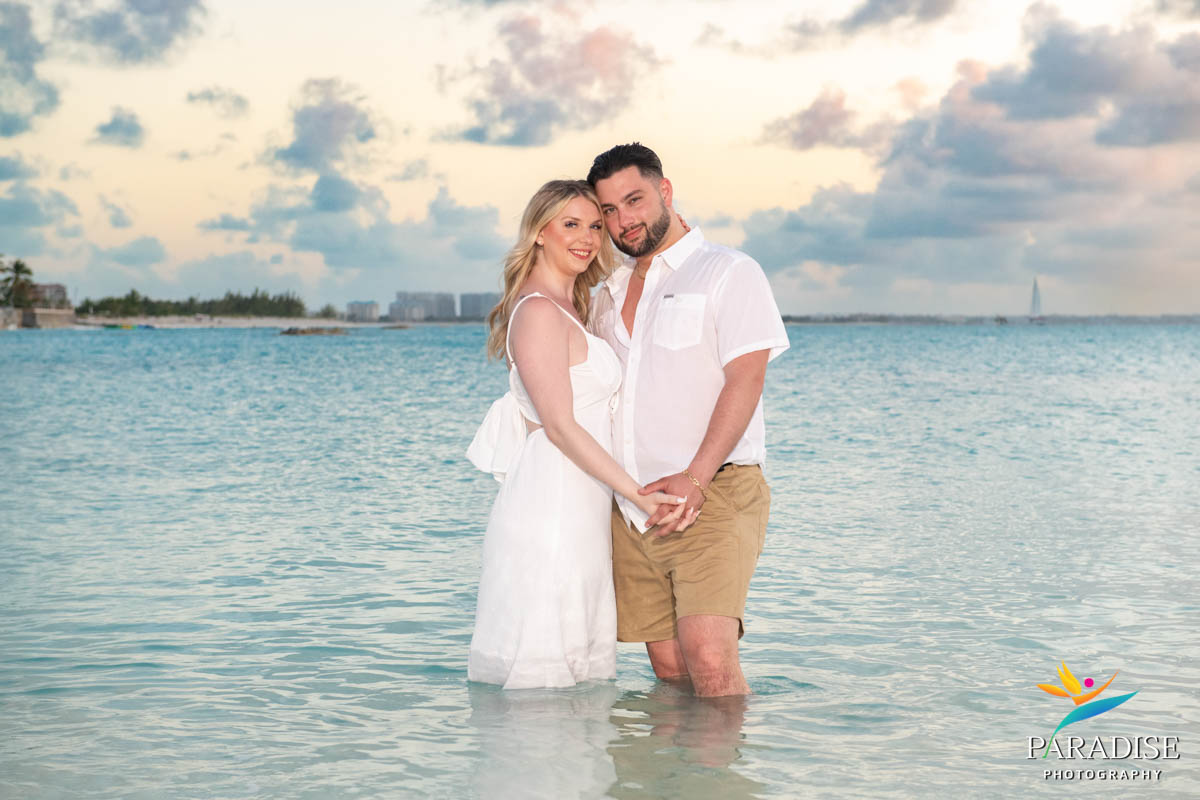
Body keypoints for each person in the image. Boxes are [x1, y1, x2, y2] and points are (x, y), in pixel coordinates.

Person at [466, 179, 698, 690]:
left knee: (576, 669)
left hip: (581, 501)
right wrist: (637, 494)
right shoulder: (537, 313)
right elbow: (560, 426)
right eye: (570, 224)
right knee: (546, 670)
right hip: (553, 505)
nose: (588, 238)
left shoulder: (576, 305)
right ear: (539, 233)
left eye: (595, 225)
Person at [586, 143, 790, 697]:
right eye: (608, 210)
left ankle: (723, 783)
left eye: (634, 200)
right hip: (634, 511)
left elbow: (746, 380)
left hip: (714, 494)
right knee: (670, 672)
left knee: (711, 664)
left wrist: (696, 478)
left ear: (665, 192)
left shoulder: (727, 272)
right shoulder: (605, 293)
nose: (623, 220)